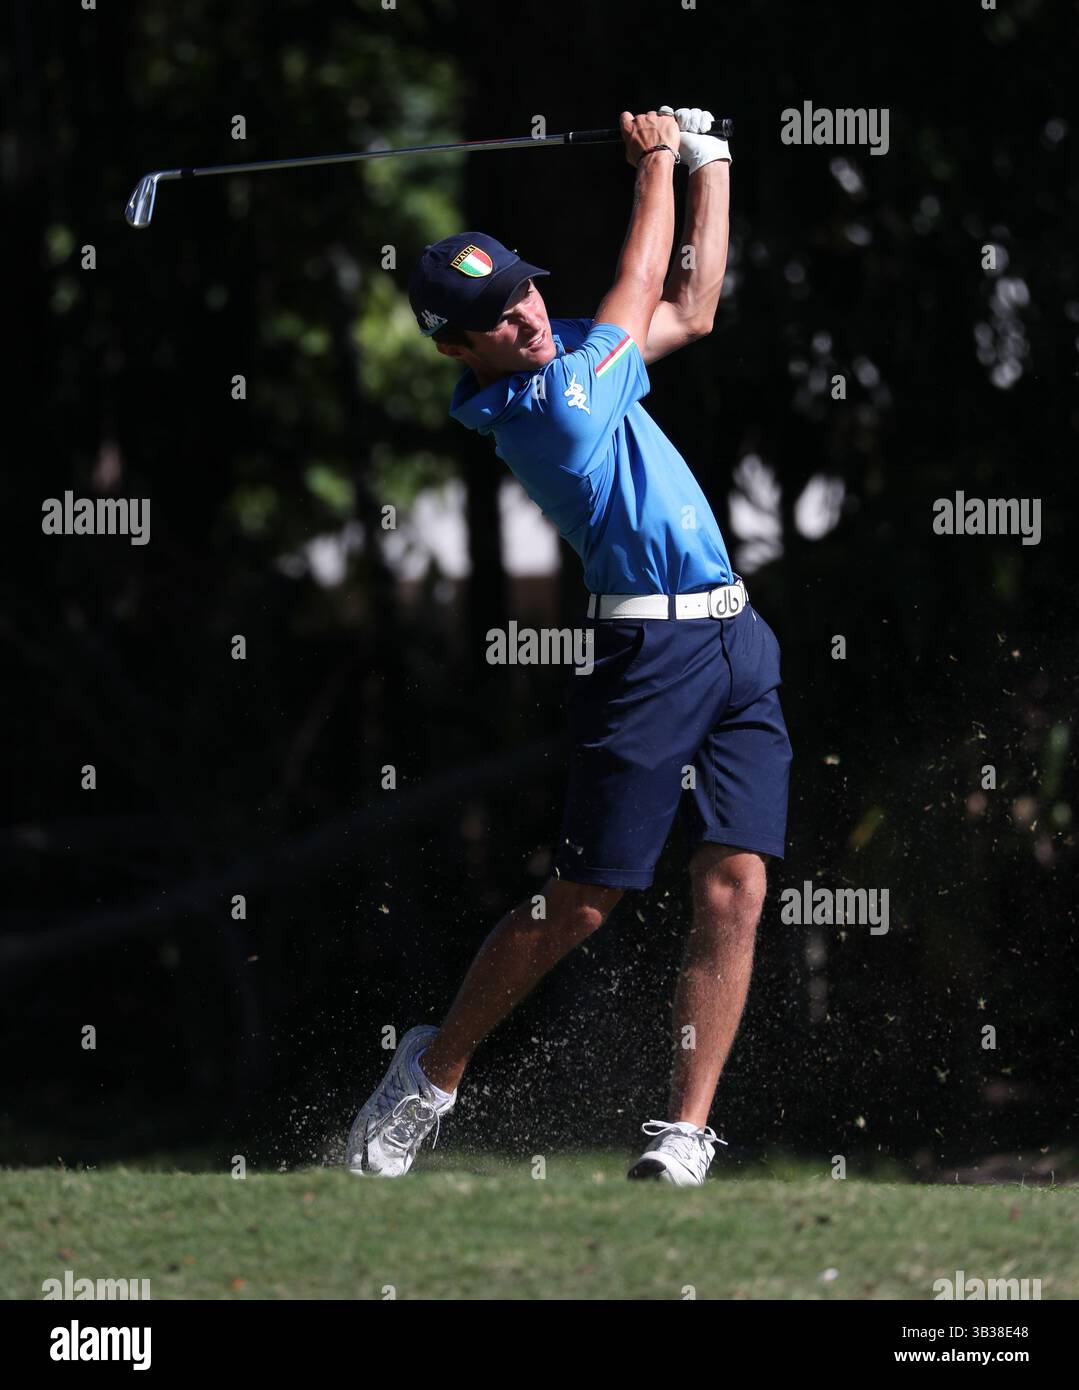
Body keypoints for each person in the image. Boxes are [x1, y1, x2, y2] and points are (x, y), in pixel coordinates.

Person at [347, 107, 792, 1186]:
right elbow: (637, 292)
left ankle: (682, 1133)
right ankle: (429, 1076)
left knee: (735, 884)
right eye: (495, 317)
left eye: (523, 291)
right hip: (646, 663)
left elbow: (689, 302)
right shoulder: (538, 405)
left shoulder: (587, 362)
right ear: (458, 347)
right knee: (585, 900)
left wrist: (710, 159)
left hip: (737, 639)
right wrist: (652, 168)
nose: (524, 317)